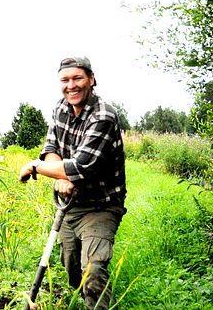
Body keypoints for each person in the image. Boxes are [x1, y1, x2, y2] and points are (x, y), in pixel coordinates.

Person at [18, 56, 126, 310]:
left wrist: (36, 166)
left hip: (101, 204)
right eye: (65, 80)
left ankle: (97, 303)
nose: (71, 85)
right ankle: (84, 292)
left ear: (91, 79)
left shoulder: (104, 115)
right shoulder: (60, 108)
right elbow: (52, 147)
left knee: (93, 268)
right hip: (71, 204)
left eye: (77, 78)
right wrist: (61, 176)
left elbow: (81, 167)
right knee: (73, 271)